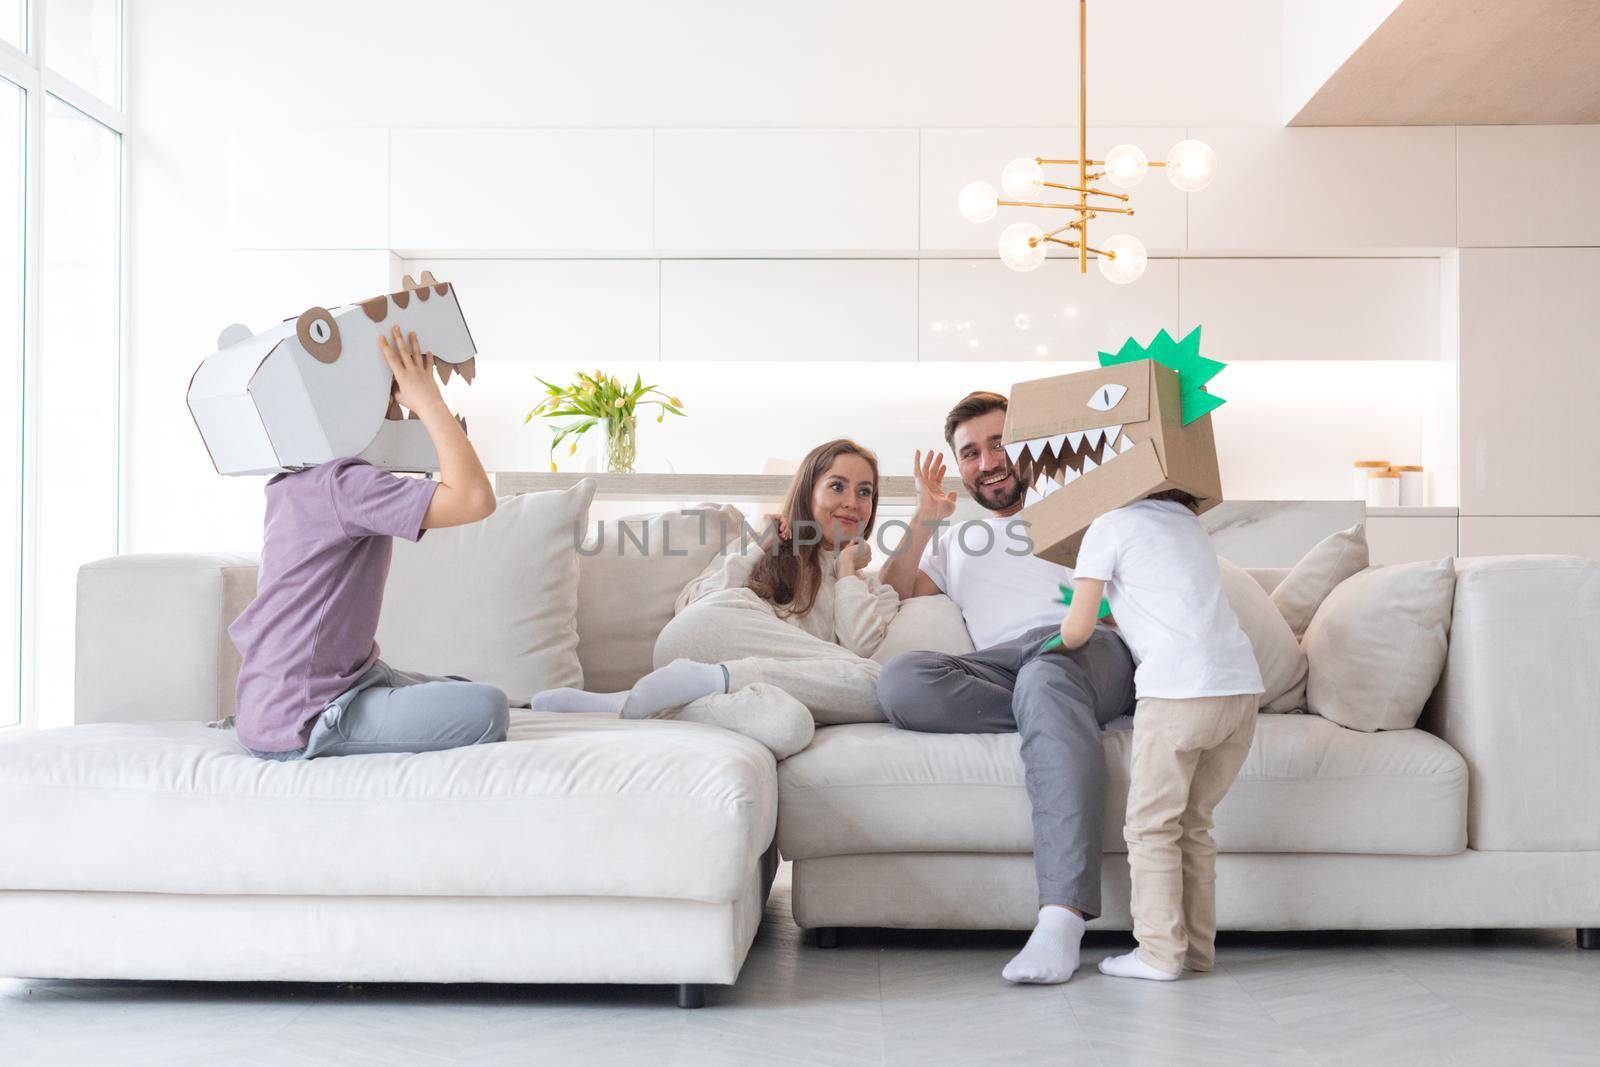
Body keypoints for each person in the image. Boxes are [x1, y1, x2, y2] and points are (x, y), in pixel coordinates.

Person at [877, 391, 1136, 985]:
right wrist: (925, 517)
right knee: (902, 681)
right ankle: (1053, 717)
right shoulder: (953, 541)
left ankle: (1062, 919)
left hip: (1086, 646)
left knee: (1049, 674)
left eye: (998, 443)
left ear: (1025, 445)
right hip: (1003, 665)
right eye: (970, 452)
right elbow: (891, 590)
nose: (987, 461)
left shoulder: (1083, 510)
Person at [228, 326, 510, 760]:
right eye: (390, 404)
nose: (396, 414)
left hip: (289, 697)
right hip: (305, 718)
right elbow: (474, 498)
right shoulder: (343, 485)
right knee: (488, 708)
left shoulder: (293, 481)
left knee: (463, 691)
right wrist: (429, 399)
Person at [532, 439, 897, 738]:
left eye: (864, 492)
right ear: (808, 492)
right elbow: (696, 605)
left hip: (746, 687)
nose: (852, 502)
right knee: (878, 679)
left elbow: (859, 648)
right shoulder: (763, 545)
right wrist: (757, 547)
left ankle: (626, 702)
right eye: (837, 486)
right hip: (700, 640)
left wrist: (847, 571)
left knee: (798, 724)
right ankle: (700, 678)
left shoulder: (871, 590)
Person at [1059, 489, 1263, 982]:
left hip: (1177, 694)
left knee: (1151, 828)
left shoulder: (1106, 524)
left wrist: (1061, 629)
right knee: (1195, 825)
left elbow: (1077, 630)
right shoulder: (1187, 523)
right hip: (1240, 690)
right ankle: (1197, 950)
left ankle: (1156, 953)